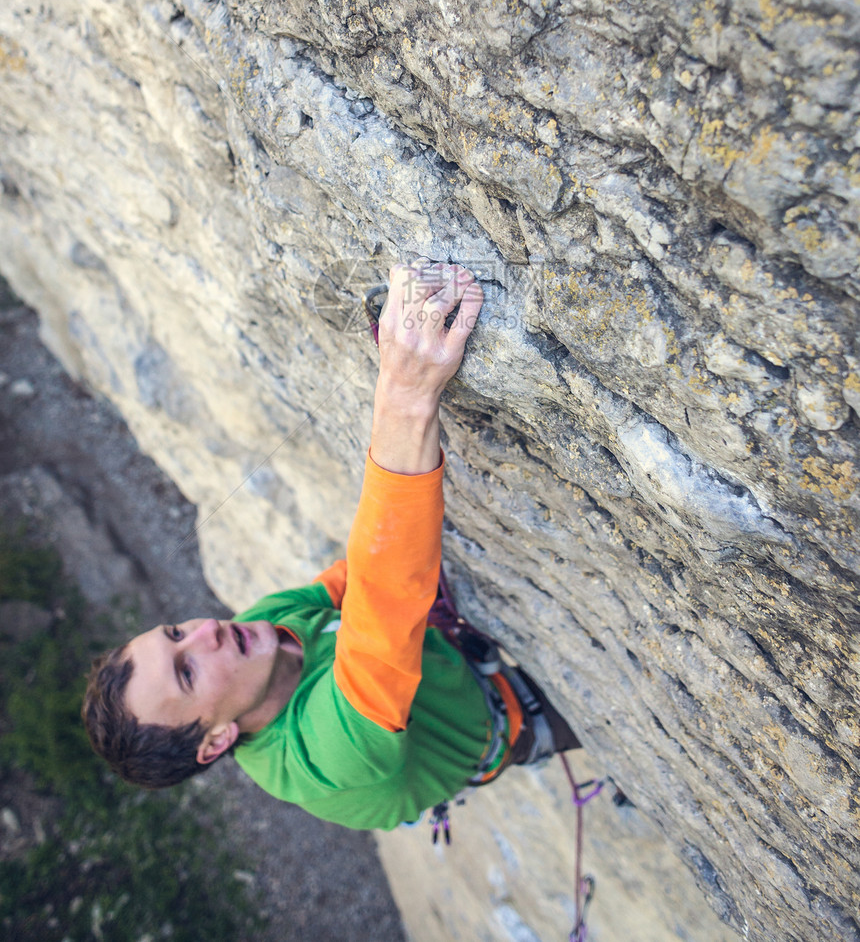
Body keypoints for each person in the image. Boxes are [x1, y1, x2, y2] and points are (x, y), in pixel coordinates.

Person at [82, 261, 579, 830]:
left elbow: (354, 583)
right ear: (216, 740)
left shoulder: (255, 638)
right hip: (497, 719)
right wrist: (405, 393)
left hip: (448, 663)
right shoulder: (323, 759)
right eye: (187, 671)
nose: (205, 631)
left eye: (174, 632)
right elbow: (383, 600)